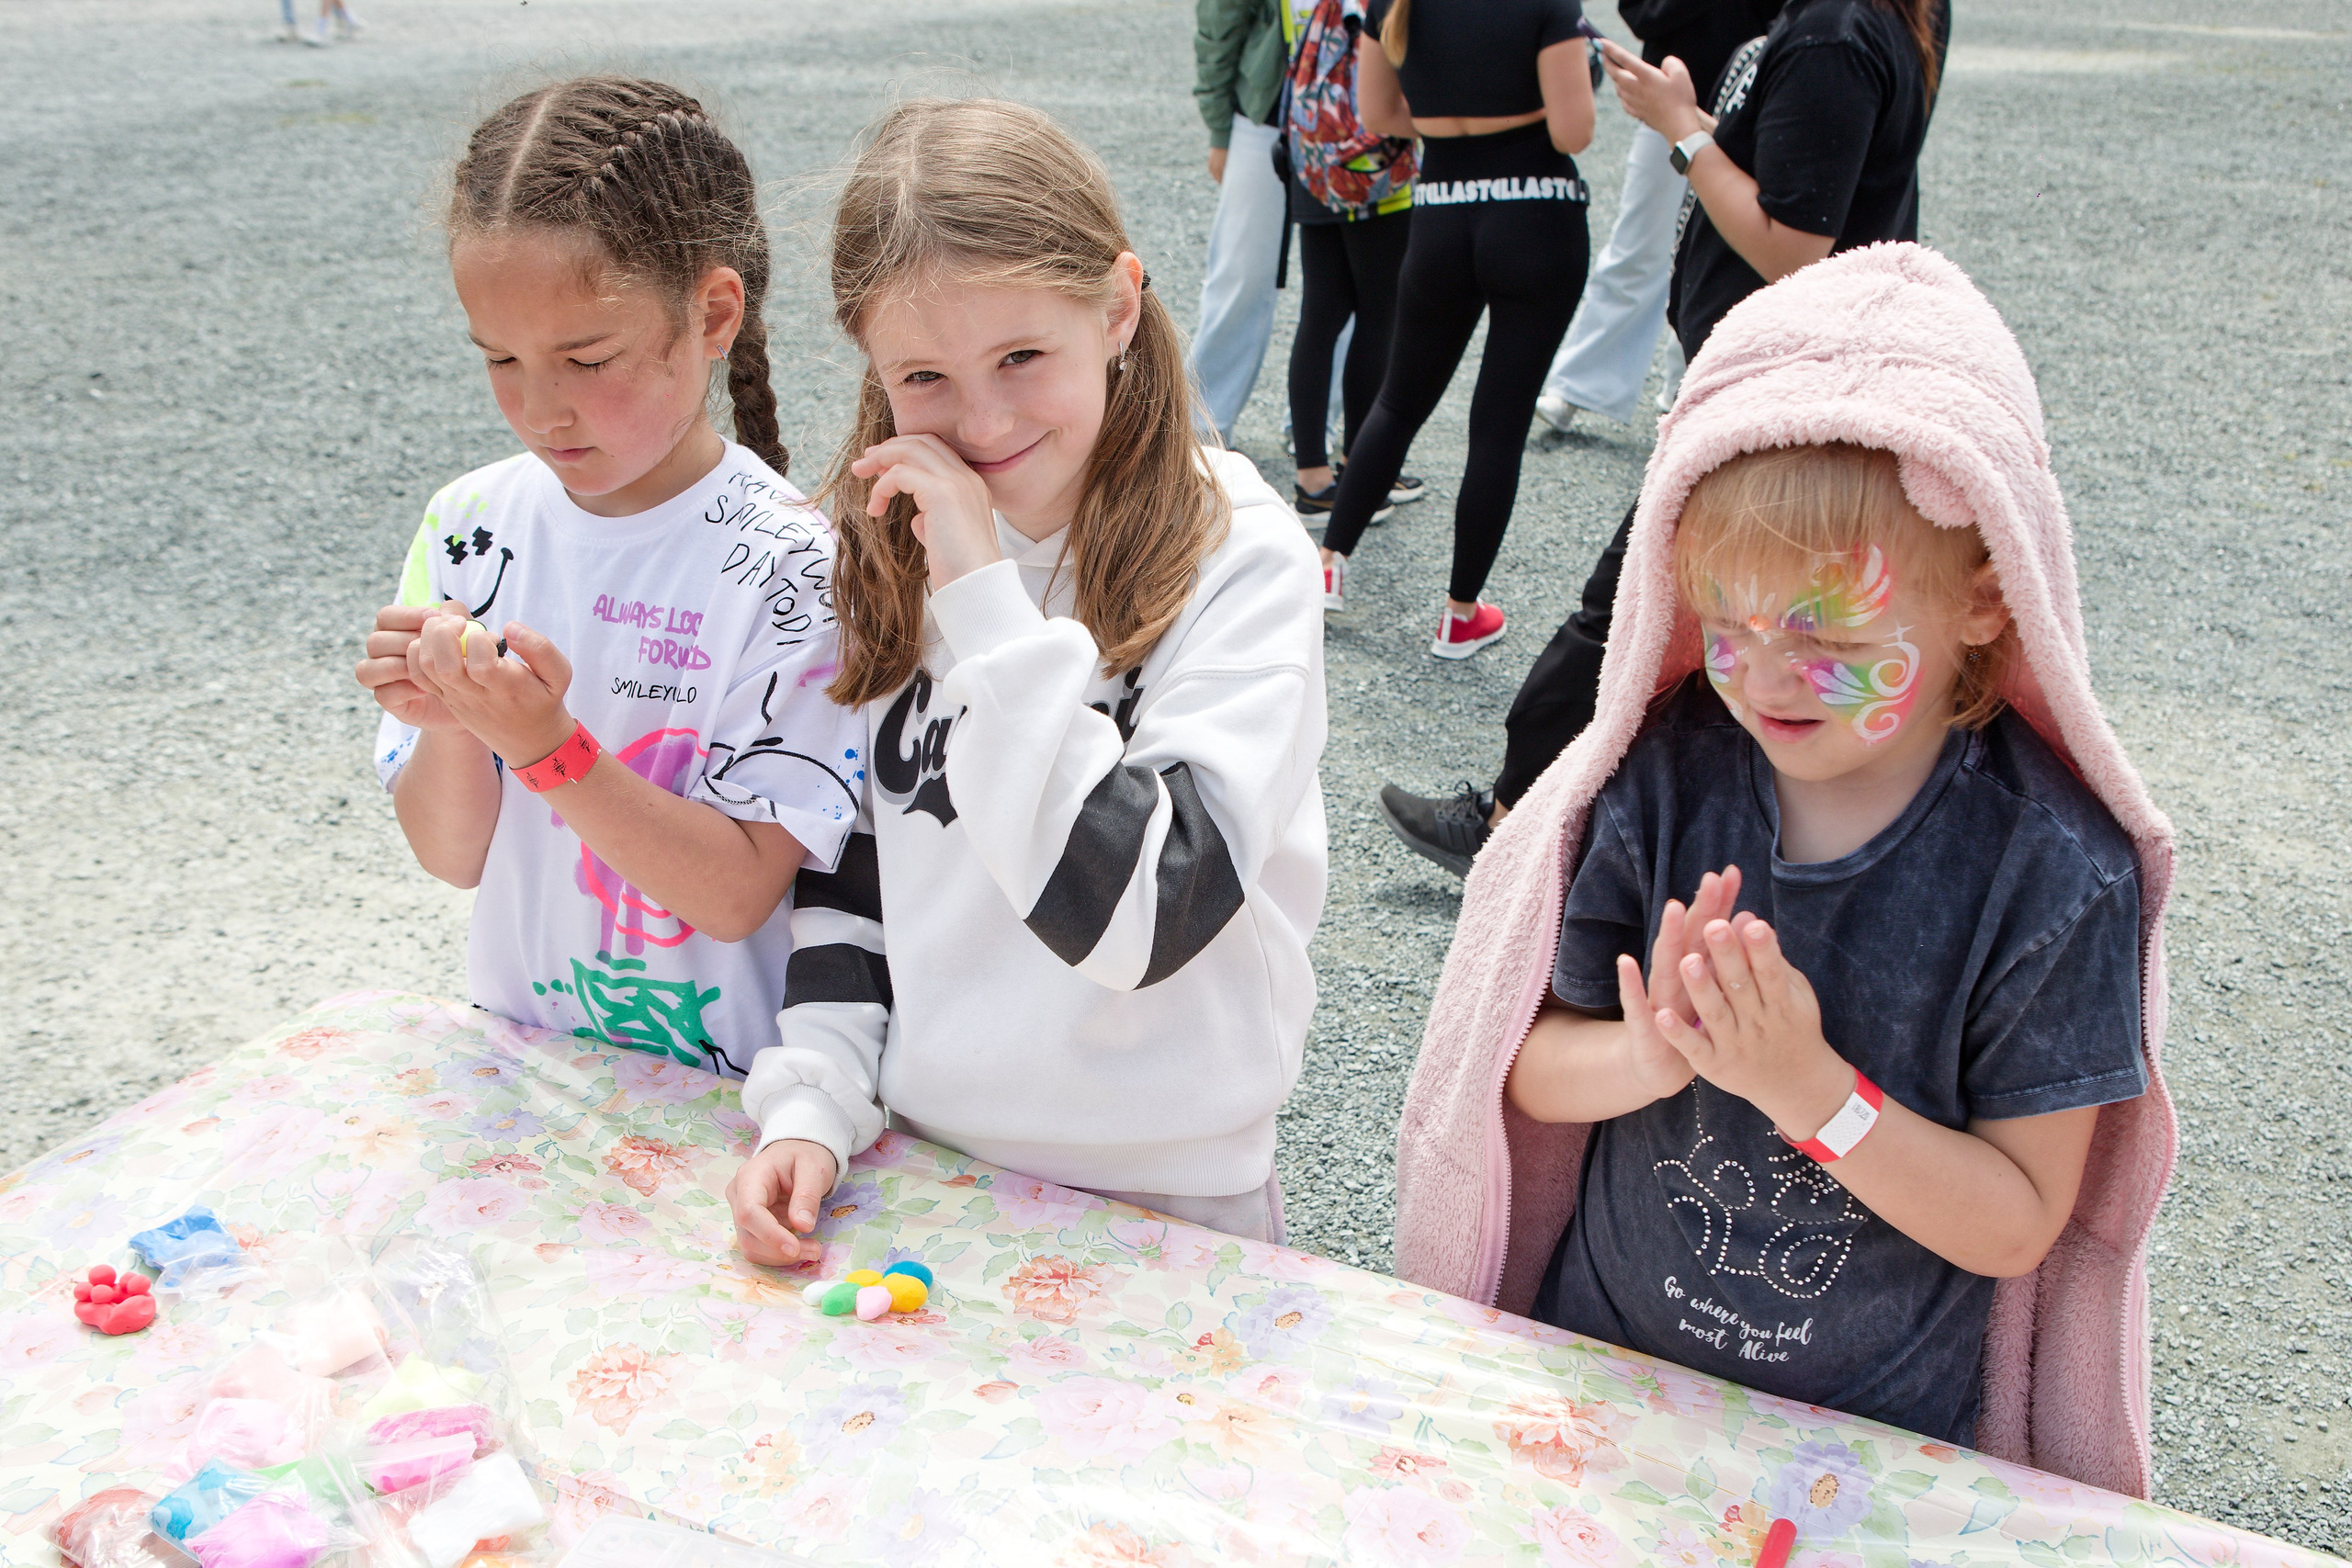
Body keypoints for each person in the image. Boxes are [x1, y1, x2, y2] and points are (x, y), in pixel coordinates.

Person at [1392, 245, 2177, 1486]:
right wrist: (1647, 1056)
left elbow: (2020, 1215)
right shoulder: (1662, 782)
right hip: (1603, 1394)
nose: (1762, 678)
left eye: (1827, 636)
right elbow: (1530, 1063)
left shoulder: (2051, 873)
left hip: (1866, 1452)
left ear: (1986, 597)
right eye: (1730, 625)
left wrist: (1811, 1088)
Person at [725, 100, 1328, 1258]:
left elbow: (1138, 917)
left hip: (1176, 1190)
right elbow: (861, 869)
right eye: (925, 376)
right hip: (925, 1159)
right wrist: (813, 1099)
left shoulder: (1241, 558)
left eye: (1021, 356)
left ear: (1114, 306)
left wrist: (979, 591)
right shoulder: (892, 541)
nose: (983, 419)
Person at [354, 78, 863, 1077]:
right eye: (500, 358)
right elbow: (453, 856)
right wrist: (453, 723)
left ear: (714, 314)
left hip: (731, 1104)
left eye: (587, 359)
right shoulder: (469, 527)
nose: (542, 411)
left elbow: (733, 895)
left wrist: (542, 745)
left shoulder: (795, 564)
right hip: (528, 1070)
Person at [1380, 0, 1946, 863]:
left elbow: (1796, 241)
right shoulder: (1861, 19)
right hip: (1788, 378)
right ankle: (1660, 834)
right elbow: (1813, 166)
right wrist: (1712, 125)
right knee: (1733, 617)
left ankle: (1511, 826)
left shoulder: (1834, 29)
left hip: (1774, 386)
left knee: (1629, 608)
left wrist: (1682, 132)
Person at [1317, 0, 1597, 660]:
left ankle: (1329, 563)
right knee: (1498, 425)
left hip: (1441, 217)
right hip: (1536, 217)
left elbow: (1380, 114)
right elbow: (1572, 132)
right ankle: (1459, 615)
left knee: (1398, 400)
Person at [1532, 0, 1783, 434]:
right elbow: (1640, 12)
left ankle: (1688, 390)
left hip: (1753, 108)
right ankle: (1581, 384)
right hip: (1668, 100)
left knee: (1728, 256)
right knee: (1640, 240)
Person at [1282, 0, 1419, 525]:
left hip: (1315, 157)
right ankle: (1361, 469)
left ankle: (1315, 475)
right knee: (1381, 312)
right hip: (1372, 166)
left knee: (1321, 312)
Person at [1190, 0, 1293, 447]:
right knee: (1241, 274)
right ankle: (1196, 429)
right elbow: (1220, 22)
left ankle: (1325, 432)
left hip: (1363, 114)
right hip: (1266, 112)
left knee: (1352, 286)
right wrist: (1219, 128)